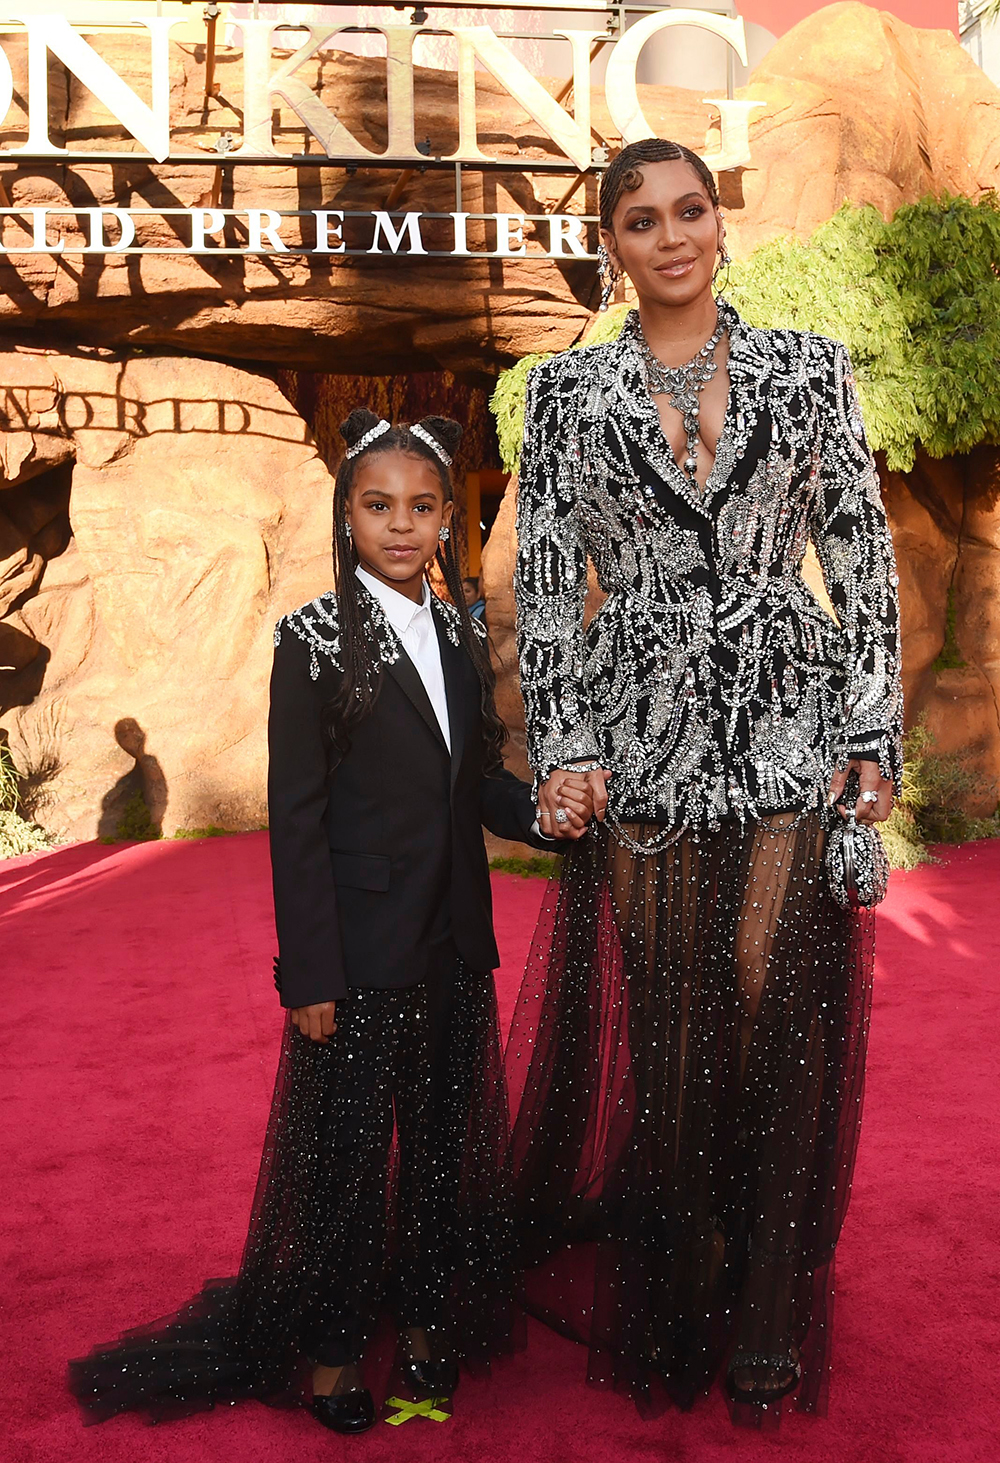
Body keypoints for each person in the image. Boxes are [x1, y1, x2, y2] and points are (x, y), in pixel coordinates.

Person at [69, 410, 593, 1434]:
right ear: (346, 513)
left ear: (448, 519)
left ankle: (433, 1326)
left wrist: (544, 813)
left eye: (422, 507)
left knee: (444, 1151)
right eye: (377, 505)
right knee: (348, 1163)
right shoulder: (306, 642)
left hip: (452, 943)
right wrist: (307, 969)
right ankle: (332, 1352)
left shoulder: (457, 628)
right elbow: (297, 818)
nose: (401, 524)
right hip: (353, 956)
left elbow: (477, 781)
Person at [507, 138, 903, 1422]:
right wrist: (565, 743)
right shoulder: (567, 398)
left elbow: (857, 544)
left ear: (718, 223)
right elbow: (553, 584)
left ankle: (773, 1300)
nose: (670, 236)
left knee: (769, 999)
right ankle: (686, 1273)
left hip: (788, 715)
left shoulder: (804, 367)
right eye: (639, 219)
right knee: (675, 1016)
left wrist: (871, 724)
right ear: (611, 245)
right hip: (645, 734)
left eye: (689, 211)